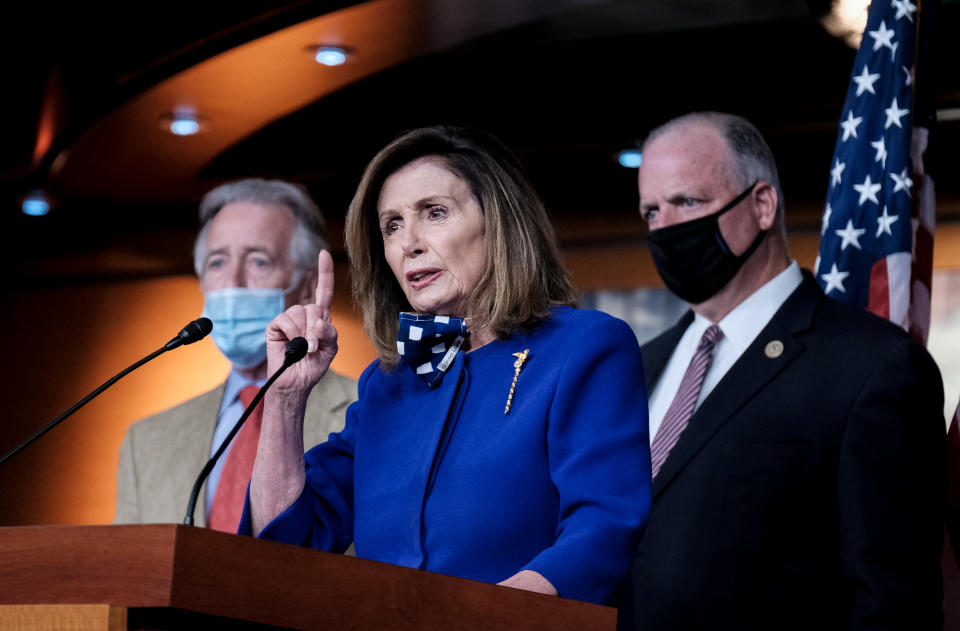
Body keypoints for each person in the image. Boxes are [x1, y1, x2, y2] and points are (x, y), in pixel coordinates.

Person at [240, 125, 651, 605]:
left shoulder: (585, 347)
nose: (408, 242)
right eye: (391, 225)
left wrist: (479, 620)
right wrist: (285, 401)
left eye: (434, 213)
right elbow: (287, 547)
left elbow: (602, 529)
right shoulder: (388, 384)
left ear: (499, 223)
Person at [630, 112, 945, 629]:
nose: (666, 229)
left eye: (688, 202)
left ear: (761, 205)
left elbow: (892, 604)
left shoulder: (871, 366)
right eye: (651, 212)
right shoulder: (641, 365)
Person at [115, 178, 357, 530]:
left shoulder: (367, 415)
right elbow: (127, 571)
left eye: (258, 262)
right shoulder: (146, 442)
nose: (232, 283)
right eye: (217, 263)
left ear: (307, 286)